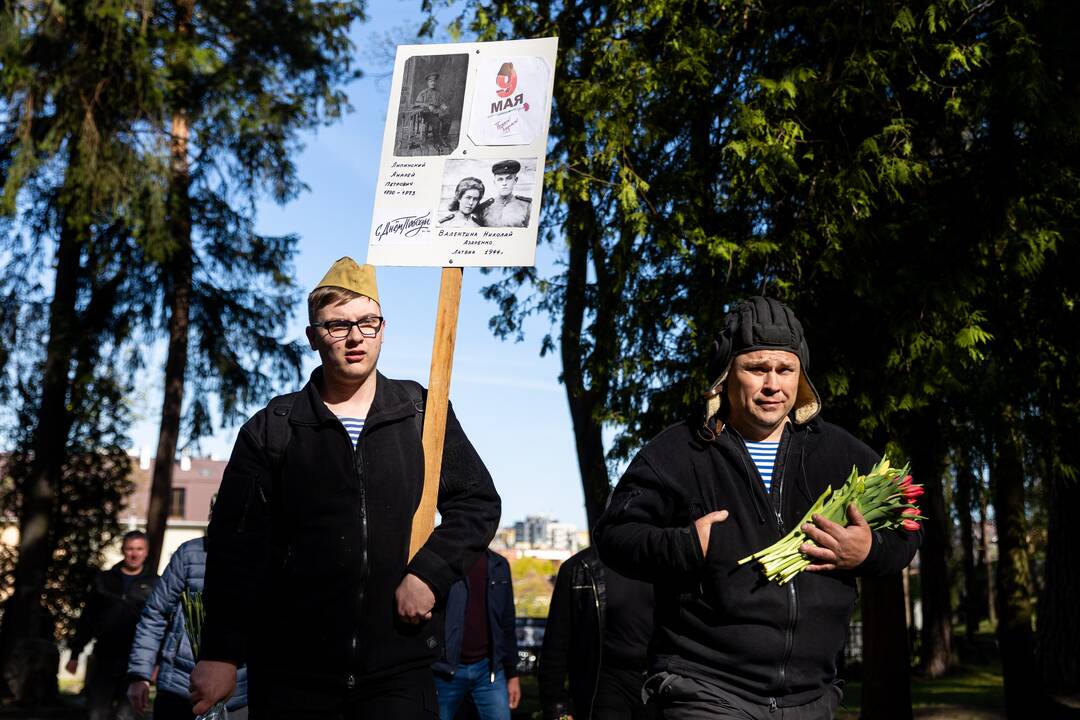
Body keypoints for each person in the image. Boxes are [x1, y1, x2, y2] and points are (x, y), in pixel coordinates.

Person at [190, 257, 501, 719]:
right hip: (294, 674)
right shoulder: (273, 429)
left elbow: (477, 502)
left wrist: (429, 573)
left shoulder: (422, 413)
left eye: (367, 322)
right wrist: (221, 651)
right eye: (337, 325)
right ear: (314, 336)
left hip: (399, 672)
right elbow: (237, 548)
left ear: (382, 328)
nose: (355, 336)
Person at [594, 297, 922, 719]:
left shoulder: (840, 453)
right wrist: (687, 546)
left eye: (785, 370)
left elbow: (909, 528)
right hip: (705, 691)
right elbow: (615, 534)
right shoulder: (677, 451)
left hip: (813, 697)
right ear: (726, 375)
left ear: (801, 378)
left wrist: (868, 551)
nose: (773, 385)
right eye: (756, 369)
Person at [126, 536, 249, 719]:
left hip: (239, 694)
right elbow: (155, 614)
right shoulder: (189, 553)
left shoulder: (267, 552)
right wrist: (140, 675)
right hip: (178, 687)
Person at [539, 545, 656, 720]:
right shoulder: (580, 568)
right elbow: (556, 642)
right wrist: (556, 708)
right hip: (604, 685)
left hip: (658, 682)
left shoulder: (668, 561)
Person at [66, 531, 158, 720]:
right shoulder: (104, 580)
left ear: (146, 552)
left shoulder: (155, 583)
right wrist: (75, 653)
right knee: (96, 714)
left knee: (127, 715)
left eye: (139, 549)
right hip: (104, 658)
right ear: (123, 550)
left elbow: (161, 624)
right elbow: (87, 619)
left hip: (137, 660)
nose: (134, 554)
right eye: (130, 549)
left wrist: (157, 662)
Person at [431, 550, 520, 720]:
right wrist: (433, 650)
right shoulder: (442, 559)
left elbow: (507, 622)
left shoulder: (499, 564)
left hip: (489, 672)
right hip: (444, 671)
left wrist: (513, 674)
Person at [472, 160, 531, 228]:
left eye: (508, 178)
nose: (504, 183)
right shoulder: (483, 209)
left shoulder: (527, 206)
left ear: (515, 180)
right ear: (495, 182)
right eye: (500, 179)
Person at [414, 71, 450, 148]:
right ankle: (436, 142)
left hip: (437, 112)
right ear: (427, 82)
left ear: (436, 82)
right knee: (436, 121)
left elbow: (442, 103)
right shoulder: (423, 93)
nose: (432, 83)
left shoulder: (438, 93)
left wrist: (445, 108)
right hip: (426, 114)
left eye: (434, 81)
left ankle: (443, 138)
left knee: (448, 118)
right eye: (430, 81)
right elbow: (416, 104)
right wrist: (427, 105)